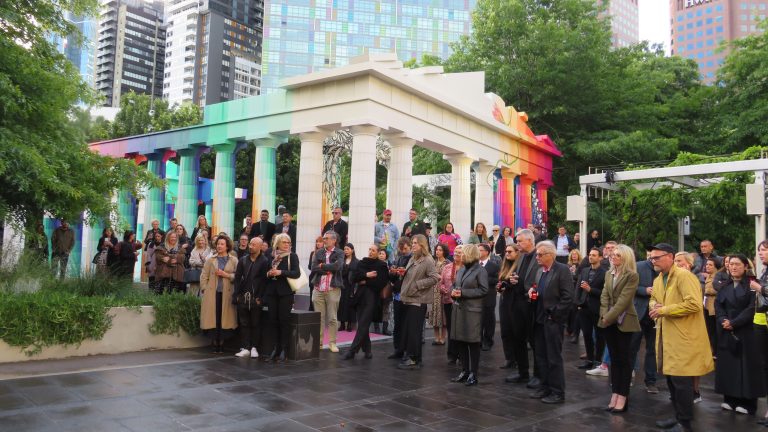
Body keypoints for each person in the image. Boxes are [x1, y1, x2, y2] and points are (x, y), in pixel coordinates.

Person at [649, 243, 714, 432]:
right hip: (666, 336)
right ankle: (678, 417)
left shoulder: (685, 276)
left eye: (657, 257)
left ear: (670, 257)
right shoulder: (659, 278)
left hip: (683, 338)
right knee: (671, 380)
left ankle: (685, 423)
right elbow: (654, 298)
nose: (654, 261)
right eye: (652, 258)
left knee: (682, 382)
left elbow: (694, 304)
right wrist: (654, 306)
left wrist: (664, 310)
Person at [714, 254, 763, 414]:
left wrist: (733, 323)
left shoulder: (751, 285)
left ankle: (748, 403)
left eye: (737, 264)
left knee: (746, 367)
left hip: (746, 331)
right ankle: (730, 398)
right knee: (728, 366)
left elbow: (751, 308)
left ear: (745, 266)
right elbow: (718, 306)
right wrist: (723, 320)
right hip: (726, 329)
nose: (733, 267)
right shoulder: (724, 286)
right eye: (731, 264)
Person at [528, 240, 573, 404]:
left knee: (554, 357)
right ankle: (545, 387)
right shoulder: (540, 271)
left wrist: (555, 315)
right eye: (536, 254)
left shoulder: (562, 270)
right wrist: (533, 292)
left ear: (550, 255)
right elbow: (540, 290)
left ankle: (557, 392)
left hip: (552, 320)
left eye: (540, 255)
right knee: (540, 356)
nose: (537, 257)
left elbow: (568, 297)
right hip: (539, 320)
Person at [598, 244, 640, 413]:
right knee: (613, 360)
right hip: (608, 321)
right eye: (612, 254)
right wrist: (604, 315)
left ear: (626, 258)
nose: (613, 257)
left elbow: (624, 300)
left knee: (624, 360)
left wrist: (608, 317)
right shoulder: (609, 274)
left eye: (617, 255)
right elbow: (604, 296)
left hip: (624, 322)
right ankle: (614, 393)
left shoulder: (632, 276)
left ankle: (623, 395)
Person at [397, 234, 440, 370]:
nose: (413, 245)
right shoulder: (413, 258)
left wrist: (417, 285)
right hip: (409, 298)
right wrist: (404, 272)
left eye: (416, 243)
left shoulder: (428, 260)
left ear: (422, 245)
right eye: (412, 242)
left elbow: (435, 277)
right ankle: (414, 357)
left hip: (418, 299)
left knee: (414, 331)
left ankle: (414, 359)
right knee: (410, 330)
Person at [504, 229, 540, 387]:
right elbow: (520, 277)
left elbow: (541, 279)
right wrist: (513, 279)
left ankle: (538, 375)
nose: (517, 244)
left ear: (530, 241)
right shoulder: (522, 257)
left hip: (532, 304)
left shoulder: (539, 256)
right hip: (517, 303)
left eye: (519, 241)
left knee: (534, 341)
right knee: (517, 338)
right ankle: (523, 372)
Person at [449, 243, 489, 386]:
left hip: (472, 312)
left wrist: (464, 293)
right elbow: (454, 285)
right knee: (460, 341)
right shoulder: (461, 269)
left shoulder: (480, 271)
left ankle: (474, 373)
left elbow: (484, 290)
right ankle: (464, 371)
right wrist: (452, 291)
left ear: (470, 254)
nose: (460, 256)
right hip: (459, 310)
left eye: (463, 253)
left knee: (472, 343)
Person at [344, 244, 389, 359]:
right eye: (370, 249)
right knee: (362, 324)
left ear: (378, 253)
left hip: (372, 298)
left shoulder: (382, 265)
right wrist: (366, 275)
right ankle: (368, 350)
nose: (370, 252)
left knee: (363, 324)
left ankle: (352, 351)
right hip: (359, 298)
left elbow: (381, 282)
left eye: (373, 250)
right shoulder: (362, 263)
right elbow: (353, 278)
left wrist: (365, 281)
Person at [263, 233, 301, 362]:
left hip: (285, 293)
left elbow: (296, 273)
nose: (287, 245)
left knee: (284, 322)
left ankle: (285, 349)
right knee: (273, 321)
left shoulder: (292, 256)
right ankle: (275, 349)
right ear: (277, 243)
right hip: (272, 293)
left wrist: (281, 272)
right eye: (284, 242)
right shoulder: (270, 255)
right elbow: (265, 272)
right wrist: (269, 273)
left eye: (288, 242)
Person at [200, 235, 238, 353]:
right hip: (212, 294)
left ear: (227, 246)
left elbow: (239, 276)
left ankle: (221, 343)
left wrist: (226, 275)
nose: (219, 246)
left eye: (222, 244)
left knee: (224, 318)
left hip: (227, 294)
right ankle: (214, 342)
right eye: (218, 244)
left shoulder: (234, 260)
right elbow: (204, 275)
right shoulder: (210, 259)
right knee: (213, 317)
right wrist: (205, 288)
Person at [629, 246, 660, 394]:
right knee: (632, 347)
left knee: (652, 350)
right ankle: (627, 376)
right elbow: (630, 286)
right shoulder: (639, 266)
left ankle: (651, 381)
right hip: (639, 313)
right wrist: (644, 290)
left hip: (656, 315)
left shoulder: (665, 269)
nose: (655, 259)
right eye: (653, 256)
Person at [310, 231, 345, 353]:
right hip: (318, 288)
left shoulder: (340, 252)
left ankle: (332, 343)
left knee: (332, 318)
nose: (324, 240)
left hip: (333, 288)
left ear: (334, 240)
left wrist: (322, 266)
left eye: (326, 238)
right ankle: (318, 343)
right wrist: (327, 268)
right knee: (319, 317)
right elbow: (313, 267)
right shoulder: (319, 252)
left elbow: (338, 267)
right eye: (323, 238)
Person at [233, 237, 268, 359]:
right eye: (250, 244)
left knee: (255, 323)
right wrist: (236, 295)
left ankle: (254, 347)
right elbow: (237, 278)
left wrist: (261, 298)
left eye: (253, 244)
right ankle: (245, 347)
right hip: (243, 297)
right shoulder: (243, 260)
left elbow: (265, 281)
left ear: (260, 247)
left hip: (256, 298)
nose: (250, 246)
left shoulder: (264, 261)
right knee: (244, 323)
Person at [574, 248, 607, 370]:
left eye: (594, 255)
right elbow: (578, 287)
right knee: (587, 334)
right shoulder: (584, 270)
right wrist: (577, 302)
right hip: (584, 308)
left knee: (599, 336)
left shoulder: (605, 273)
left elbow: (605, 293)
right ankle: (589, 359)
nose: (591, 257)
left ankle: (598, 361)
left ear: (600, 258)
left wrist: (591, 290)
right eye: (589, 255)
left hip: (597, 308)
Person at [387, 236, 412, 360]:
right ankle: (398, 349)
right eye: (401, 249)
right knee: (398, 324)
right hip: (398, 294)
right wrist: (392, 272)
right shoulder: (398, 258)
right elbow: (392, 279)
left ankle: (406, 350)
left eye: (405, 248)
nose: (403, 251)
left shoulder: (413, 258)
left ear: (410, 246)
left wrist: (403, 272)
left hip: (407, 295)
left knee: (406, 325)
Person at [497, 244, 521, 370]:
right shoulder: (505, 266)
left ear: (517, 253)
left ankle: (517, 358)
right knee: (505, 331)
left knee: (515, 332)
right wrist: (500, 287)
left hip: (516, 302)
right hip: (504, 301)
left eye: (510, 251)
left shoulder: (520, 266)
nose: (507, 253)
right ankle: (509, 358)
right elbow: (501, 282)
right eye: (506, 251)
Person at [753, 240, 768, 426]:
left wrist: (760, 288)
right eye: (759, 251)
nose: (761, 254)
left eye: (764, 250)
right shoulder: (764, 270)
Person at [478, 243, 500, 351]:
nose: (479, 252)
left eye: (481, 250)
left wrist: (483, 280)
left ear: (487, 252)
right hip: (476, 297)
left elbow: (497, 280)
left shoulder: (494, 265)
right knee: (478, 320)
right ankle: (479, 340)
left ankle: (488, 341)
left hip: (489, 296)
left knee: (488, 320)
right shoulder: (474, 265)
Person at [429, 244, 452, 345]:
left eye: (440, 250)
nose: (437, 252)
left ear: (444, 252)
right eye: (436, 250)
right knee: (434, 314)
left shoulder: (448, 263)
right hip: (433, 291)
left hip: (443, 291)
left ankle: (442, 337)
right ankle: (436, 337)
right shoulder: (433, 262)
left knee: (443, 315)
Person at [702, 257, 721, 356]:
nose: (707, 266)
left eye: (710, 265)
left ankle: (716, 351)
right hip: (707, 305)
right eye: (706, 264)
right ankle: (712, 349)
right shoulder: (708, 276)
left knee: (714, 329)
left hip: (714, 306)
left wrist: (708, 291)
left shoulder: (718, 277)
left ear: (716, 266)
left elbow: (718, 289)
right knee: (709, 329)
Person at [338, 243, 358, 332]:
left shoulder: (357, 261)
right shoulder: (341, 260)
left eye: (348, 249)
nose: (346, 251)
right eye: (345, 249)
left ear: (352, 250)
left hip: (351, 285)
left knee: (350, 304)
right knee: (341, 304)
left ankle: (350, 324)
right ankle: (342, 324)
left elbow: (357, 274)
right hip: (342, 285)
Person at [307, 236, 323, 312]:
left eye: (320, 242)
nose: (318, 243)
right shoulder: (313, 253)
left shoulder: (325, 253)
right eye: (317, 242)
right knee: (312, 298)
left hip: (321, 277)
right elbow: (310, 266)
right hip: (313, 277)